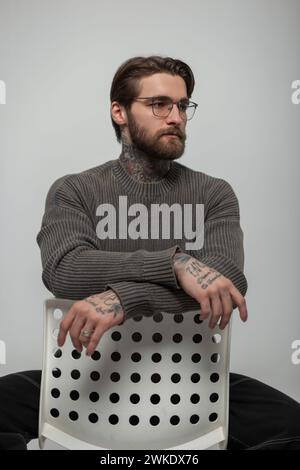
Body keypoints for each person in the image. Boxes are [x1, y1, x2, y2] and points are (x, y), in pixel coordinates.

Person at [0, 55, 300, 450]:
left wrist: (127, 297)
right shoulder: (75, 190)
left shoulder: (214, 193)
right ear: (119, 112)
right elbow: (66, 269)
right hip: (88, 374)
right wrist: (176, 264)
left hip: (193, 377)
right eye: (159, 104)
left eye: (182, 105)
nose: (175, 116)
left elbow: (226, 279)